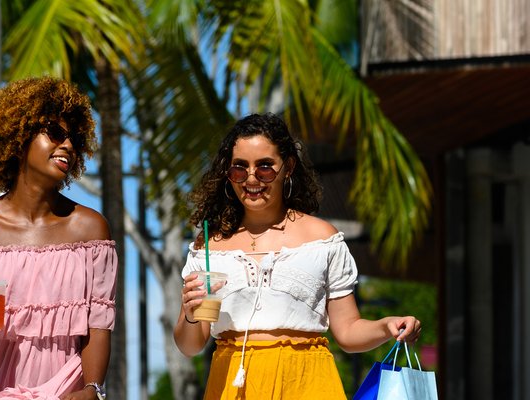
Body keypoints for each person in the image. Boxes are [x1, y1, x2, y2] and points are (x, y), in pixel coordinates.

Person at [173, 113, 423, 399]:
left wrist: (386, 326)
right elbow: (191, 345)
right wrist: (191, 317)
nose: (251, 178)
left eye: (265, 167)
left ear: (288, 167)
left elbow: (348, 331)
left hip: (308, 382)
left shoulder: (321, 239)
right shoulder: (209, 248)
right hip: (232, 386)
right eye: (239, 169)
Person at [0, 76, 116, 400]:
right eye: (56, 133)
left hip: (63, 391)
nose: (69, 145)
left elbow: (98, 326)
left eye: (73, 137)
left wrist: (93, 389)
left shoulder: (90, 230)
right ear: (19, 137)